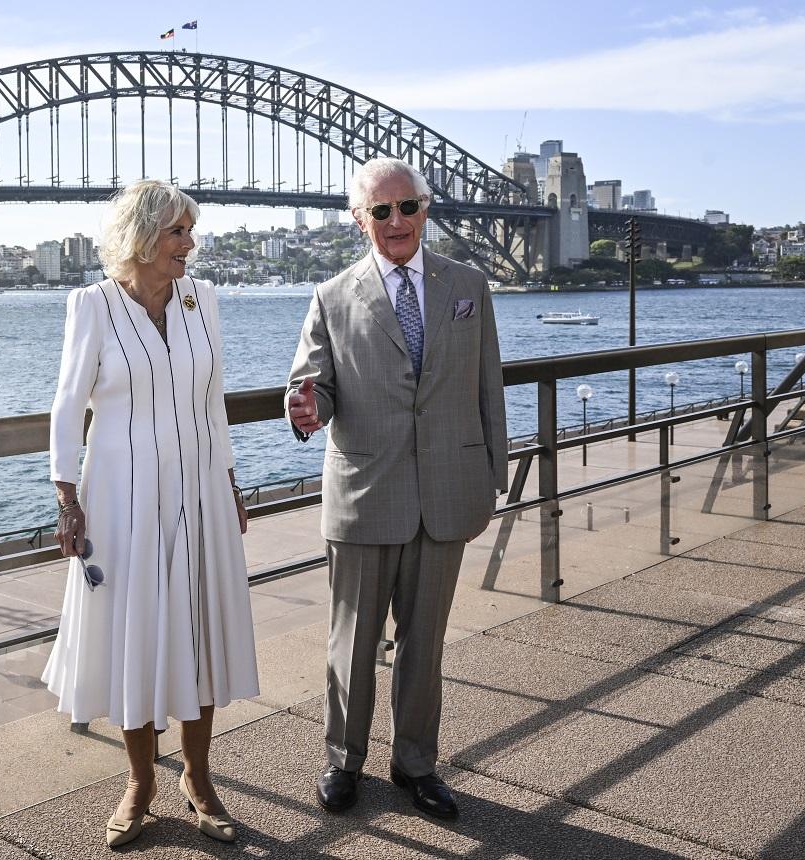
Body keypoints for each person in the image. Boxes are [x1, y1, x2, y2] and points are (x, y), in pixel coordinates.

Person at [286, 157, 508, 820]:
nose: (396, 221)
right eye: (380, 212)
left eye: (407, 206)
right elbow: (313, 383)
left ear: (425, 208)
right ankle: (343, 761)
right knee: (350, 642)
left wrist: (492, 475)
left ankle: (416, 764)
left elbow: (487, 386)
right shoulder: (331, 296)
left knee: (426, 643)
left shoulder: (467, 284)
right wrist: (306, 407)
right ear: (360, 220)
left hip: (446, 490)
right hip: (365, 493)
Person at [43, 180, 259, 848]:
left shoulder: (202, 299)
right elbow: (66, 405)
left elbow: (212, 399)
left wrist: (229, 480)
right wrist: (66, 498)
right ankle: (141, 782)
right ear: (140, 237)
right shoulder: (94, 306)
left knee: (198, 629)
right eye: (177, 233)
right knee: (135, 634)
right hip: (120, 496)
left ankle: (199, 778)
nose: (188, 245)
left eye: (190, 232)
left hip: (198, 489)